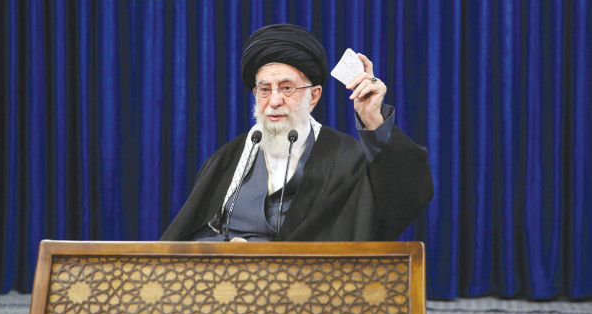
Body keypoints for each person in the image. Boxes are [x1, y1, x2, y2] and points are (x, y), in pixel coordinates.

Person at [161, 24, 433, 242]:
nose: (274, 101)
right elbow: (192, 235)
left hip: (315, 285)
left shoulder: (346, 158)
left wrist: (372, 118)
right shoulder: (228, 160)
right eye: (264, 90)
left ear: (314, 96)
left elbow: (405, 198)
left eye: (287, 88)